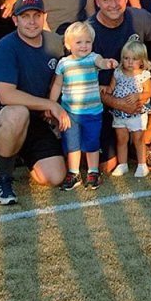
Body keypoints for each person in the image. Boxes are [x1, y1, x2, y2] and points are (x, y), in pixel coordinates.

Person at [87, 0, 151, 173]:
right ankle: (124, 146)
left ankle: (143, 144)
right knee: (106, 166)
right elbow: (82, 84)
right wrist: (117, 103)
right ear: (97, 2)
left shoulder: (139, 18)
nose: (113, 4)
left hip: (138, 88)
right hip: (103, 100)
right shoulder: (89, 32)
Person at [0, 0, 70, 205]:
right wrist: (50, 105)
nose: (32, 21)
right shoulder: (6, 46)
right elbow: (6, 95)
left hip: (39, 119)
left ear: (45, 16)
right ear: (15, 20)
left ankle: (20, 152)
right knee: (18, 113)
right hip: (7, 115)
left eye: (37, 15)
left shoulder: (57, 43)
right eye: (25, 16)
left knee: (53, 177)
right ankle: (2, 176)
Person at [50, 22, 118, 191]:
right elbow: (57, 85)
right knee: (72, 143)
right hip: (70, 112)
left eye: (87, 42)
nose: (84, 46)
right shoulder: (63, 63)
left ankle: (93, 172)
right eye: (78, 42)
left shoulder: (93, 58)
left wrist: (108, 63)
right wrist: (51, 104)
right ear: (68, 44)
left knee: (92, 142)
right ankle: (73, 173)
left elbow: (101, 62)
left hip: (92, 112)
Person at [108, 38, 151, 178]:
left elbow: (148, 92)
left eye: (134, 59)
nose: (129, 62)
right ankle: (122, 164)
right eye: (126, 58)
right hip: (119, 113)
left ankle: (142, 164)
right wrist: (106, 91)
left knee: (138, 139)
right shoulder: (118, 73)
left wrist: (138, 96)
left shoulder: (143, 75)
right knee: (121, 138)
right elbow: (111, 87)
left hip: (137, 114)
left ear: (142, 61)